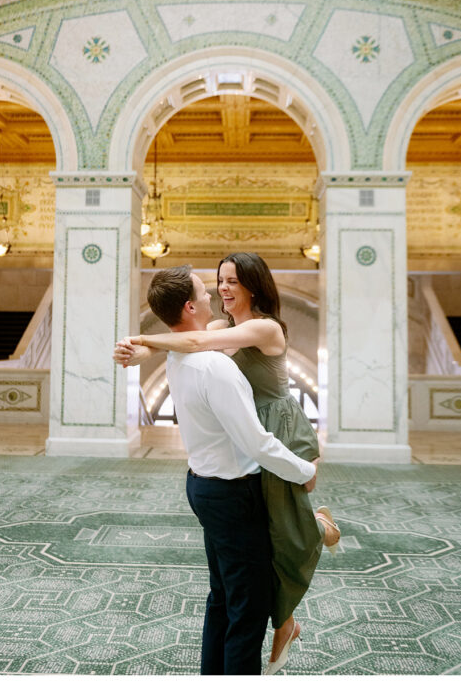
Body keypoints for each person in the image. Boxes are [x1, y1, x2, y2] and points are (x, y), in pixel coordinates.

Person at [115, 254, 341, 674]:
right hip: (248, 451)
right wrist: (139, 350)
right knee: (258, 572)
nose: (222, 288)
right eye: (216, 282)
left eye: (232, 280)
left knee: (264, 556)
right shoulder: (218, 336)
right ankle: (318, 535)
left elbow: (190, 340)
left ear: (254, 285)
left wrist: (143, 341)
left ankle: (315, 536)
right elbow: (190, 338)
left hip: (280, 430)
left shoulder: (263, 326)